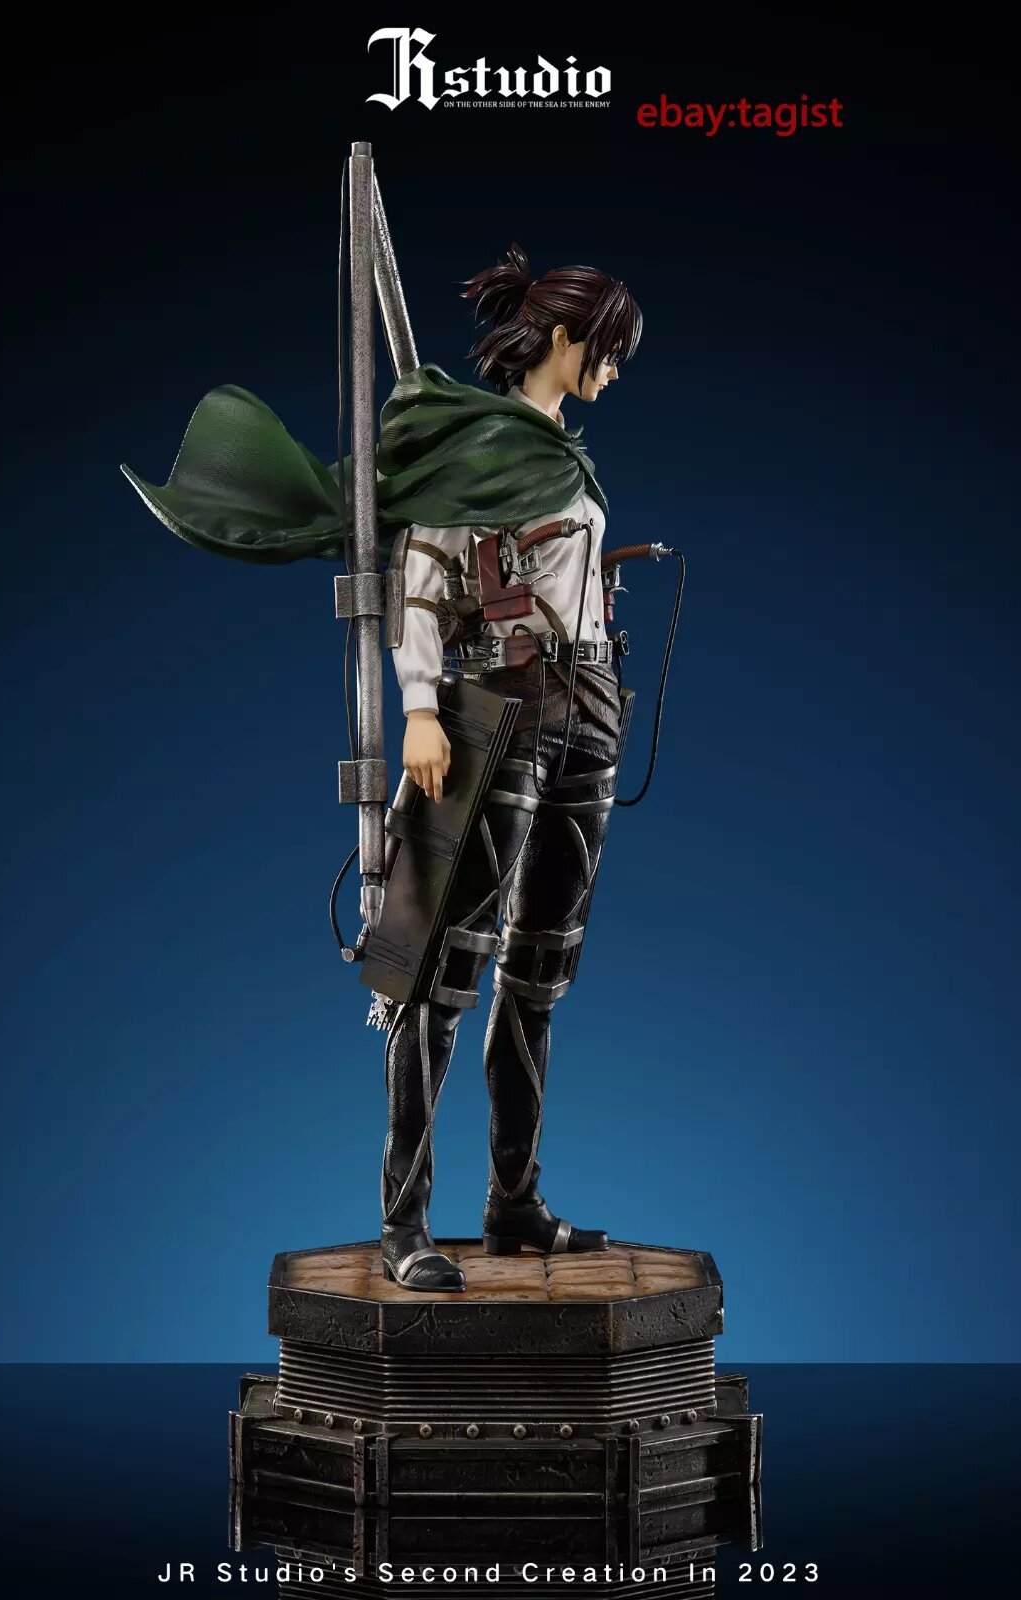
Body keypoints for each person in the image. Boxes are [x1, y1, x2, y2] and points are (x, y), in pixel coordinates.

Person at [377, 245, 643, 1291]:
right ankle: (404, 1221)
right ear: (565, 338)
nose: (612, 370)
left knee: (540, 969)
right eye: (606, 350)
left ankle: (513, 1202)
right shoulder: (484, 448)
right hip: (503, 710)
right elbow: (421, 575)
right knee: (443, 967)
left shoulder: (565, 456)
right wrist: (419, 709)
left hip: (588, 708)